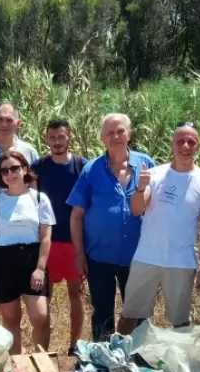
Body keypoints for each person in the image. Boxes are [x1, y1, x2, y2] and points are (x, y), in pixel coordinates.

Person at [119, 123, 200, 335]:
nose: (185, 145)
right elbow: (136, 209)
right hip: (146, 257)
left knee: (180, 322)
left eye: (191, 141)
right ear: (172, 144)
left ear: (198, 146)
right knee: (129, 315)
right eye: (180, 140)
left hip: (181, 262)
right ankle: (121, 359)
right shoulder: (154, 174)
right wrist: (140, 187)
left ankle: (177, 363)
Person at [67, 113, 157, 341]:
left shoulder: (147, 164)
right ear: (102, 138)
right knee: (102, 314)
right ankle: (103, 362)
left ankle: (138, 362)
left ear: (130, 133)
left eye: (120, 131)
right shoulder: (91, 170)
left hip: (139, 256)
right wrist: (79, 254)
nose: (116, 136)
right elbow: (76, 215)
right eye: (110, 132)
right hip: (100, 257)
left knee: (139, 315)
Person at [0, 151, 56, 354]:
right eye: (4, 170)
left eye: (14, 168)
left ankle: (42, 362)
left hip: (32, 261)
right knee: (10, 318)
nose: (10, 174)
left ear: (24, 169)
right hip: (3, 263)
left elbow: (45, 237)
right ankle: (16, 366)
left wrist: (40, 268)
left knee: (40, 316)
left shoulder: (40, 199)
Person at [31, 119, 89, 351]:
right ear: (47, 139)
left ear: (69, 137)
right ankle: (43, 348)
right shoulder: (38, 166)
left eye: (61, 137)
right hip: (47, 242)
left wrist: (83, 247)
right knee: (45, 298)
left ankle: (74, 346)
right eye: (52, 137)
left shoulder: (80, 165)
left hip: (74, 242)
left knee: (76, 295)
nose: (57, 142)